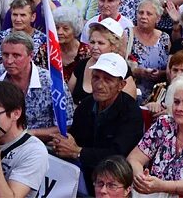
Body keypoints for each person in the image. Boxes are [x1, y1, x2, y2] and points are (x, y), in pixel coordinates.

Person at [56, 53, 144, 195]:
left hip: (112, 182)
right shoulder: (86, 105)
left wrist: (78, 152)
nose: (99, 85)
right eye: (96, 77)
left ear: (121, 85)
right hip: (83, 174)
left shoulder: (131, 113)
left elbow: (119, 154)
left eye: (108, 80)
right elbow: (75, 138)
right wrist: (63, 143)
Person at [0, 31, 74, 141]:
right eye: (5, 55)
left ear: (31, 55)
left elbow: (65, 125)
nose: (9, 61)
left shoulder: (52, 83)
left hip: (38, 147)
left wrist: (28, 134)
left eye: (16, 55)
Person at [129, 0, 171, 102]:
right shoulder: (127, 34)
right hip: (134, 92)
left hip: (159, 95)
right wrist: (141, 72)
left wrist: (160, 73)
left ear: (158, 18)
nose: (143, 16)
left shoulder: (165, 38)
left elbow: (170, 68)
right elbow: (121, 64)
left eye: (149, 14)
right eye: (141, 12)